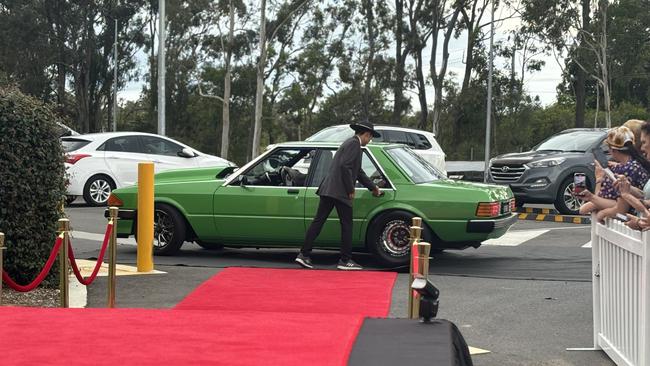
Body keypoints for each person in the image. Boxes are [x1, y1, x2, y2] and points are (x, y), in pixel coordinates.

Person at [295, 120, 383, 270]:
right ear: (366, 134)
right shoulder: (354, 144)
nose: (370, 140)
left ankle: (303, 254)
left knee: (319, 221)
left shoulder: (351, 143)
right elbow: (345, 167)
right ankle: (345, 260)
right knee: (347, 225)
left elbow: (358, 171)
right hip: (340, 191)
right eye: (370, 137)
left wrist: (373, 187)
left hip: (329, 189)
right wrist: (350, 189)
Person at [579, 126, 649, 221]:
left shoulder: (625, 170)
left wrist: (599, 178)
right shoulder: (632, 165)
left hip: (628, 219)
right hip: (634, 218)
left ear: (613, 150)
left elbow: (620, 210)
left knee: (585, 209)